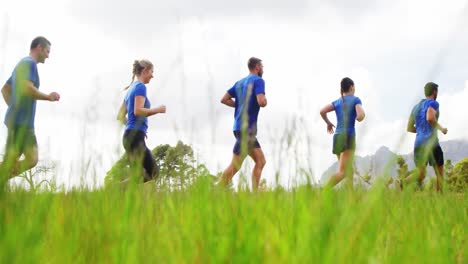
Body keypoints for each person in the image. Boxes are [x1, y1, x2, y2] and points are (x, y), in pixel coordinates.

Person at [0, 36, 60, 183]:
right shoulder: (29, 64)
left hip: (18, 121)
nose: (48, 55)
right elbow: (27, 88)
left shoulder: (22, 64)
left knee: (15, 160)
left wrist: (14, 108)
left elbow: (5, 89)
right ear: (39, 47)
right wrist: (48, 97)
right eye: (47, 51)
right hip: (22, 124)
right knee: (31, 159)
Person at [219, 57, 267, 190]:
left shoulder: (239, 83)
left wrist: (239, 105)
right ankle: (216, 190)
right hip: (247, 129)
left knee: (260, 161)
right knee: (237, 165)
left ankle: (254, 194)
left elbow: (224, 99)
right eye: (262, 67)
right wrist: (264, 100)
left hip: (238, 128)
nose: (263, 69)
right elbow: (261, 102)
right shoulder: (258, 80)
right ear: (257, 67)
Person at [117, 59, 166, 183]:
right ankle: (119, 188)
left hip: (129, 137)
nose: (152, 75)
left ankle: (119, 192)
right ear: (144, 71)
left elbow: (120, 115)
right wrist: (158, 110)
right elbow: (138, 111)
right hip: (134, 137)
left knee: (136, 175)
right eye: (151, 72)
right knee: (154, 172)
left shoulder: (131, 89)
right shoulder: (140, 87)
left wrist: (135, 128)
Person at [320, 77, 365, 189]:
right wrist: (360, 116)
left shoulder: (337, 101)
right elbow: (360, 115)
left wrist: (328, 123)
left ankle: (350, 201)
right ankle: (323, 191)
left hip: (337, 137)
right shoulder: (356, 100)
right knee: (343, 172)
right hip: (348, 137)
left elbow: (322, 111)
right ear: (351, 87)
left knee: (348, 172)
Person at [405, 82, 447, 191]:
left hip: (418, 144)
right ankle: (440, 199)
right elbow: (430, 118)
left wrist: (420, 130)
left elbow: (409, 128)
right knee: (439, 173)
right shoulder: (433, 103)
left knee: (421, 174)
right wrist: (441, 129)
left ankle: (402, 184)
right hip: (431, 143)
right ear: (434, 92)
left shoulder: (415, 107)